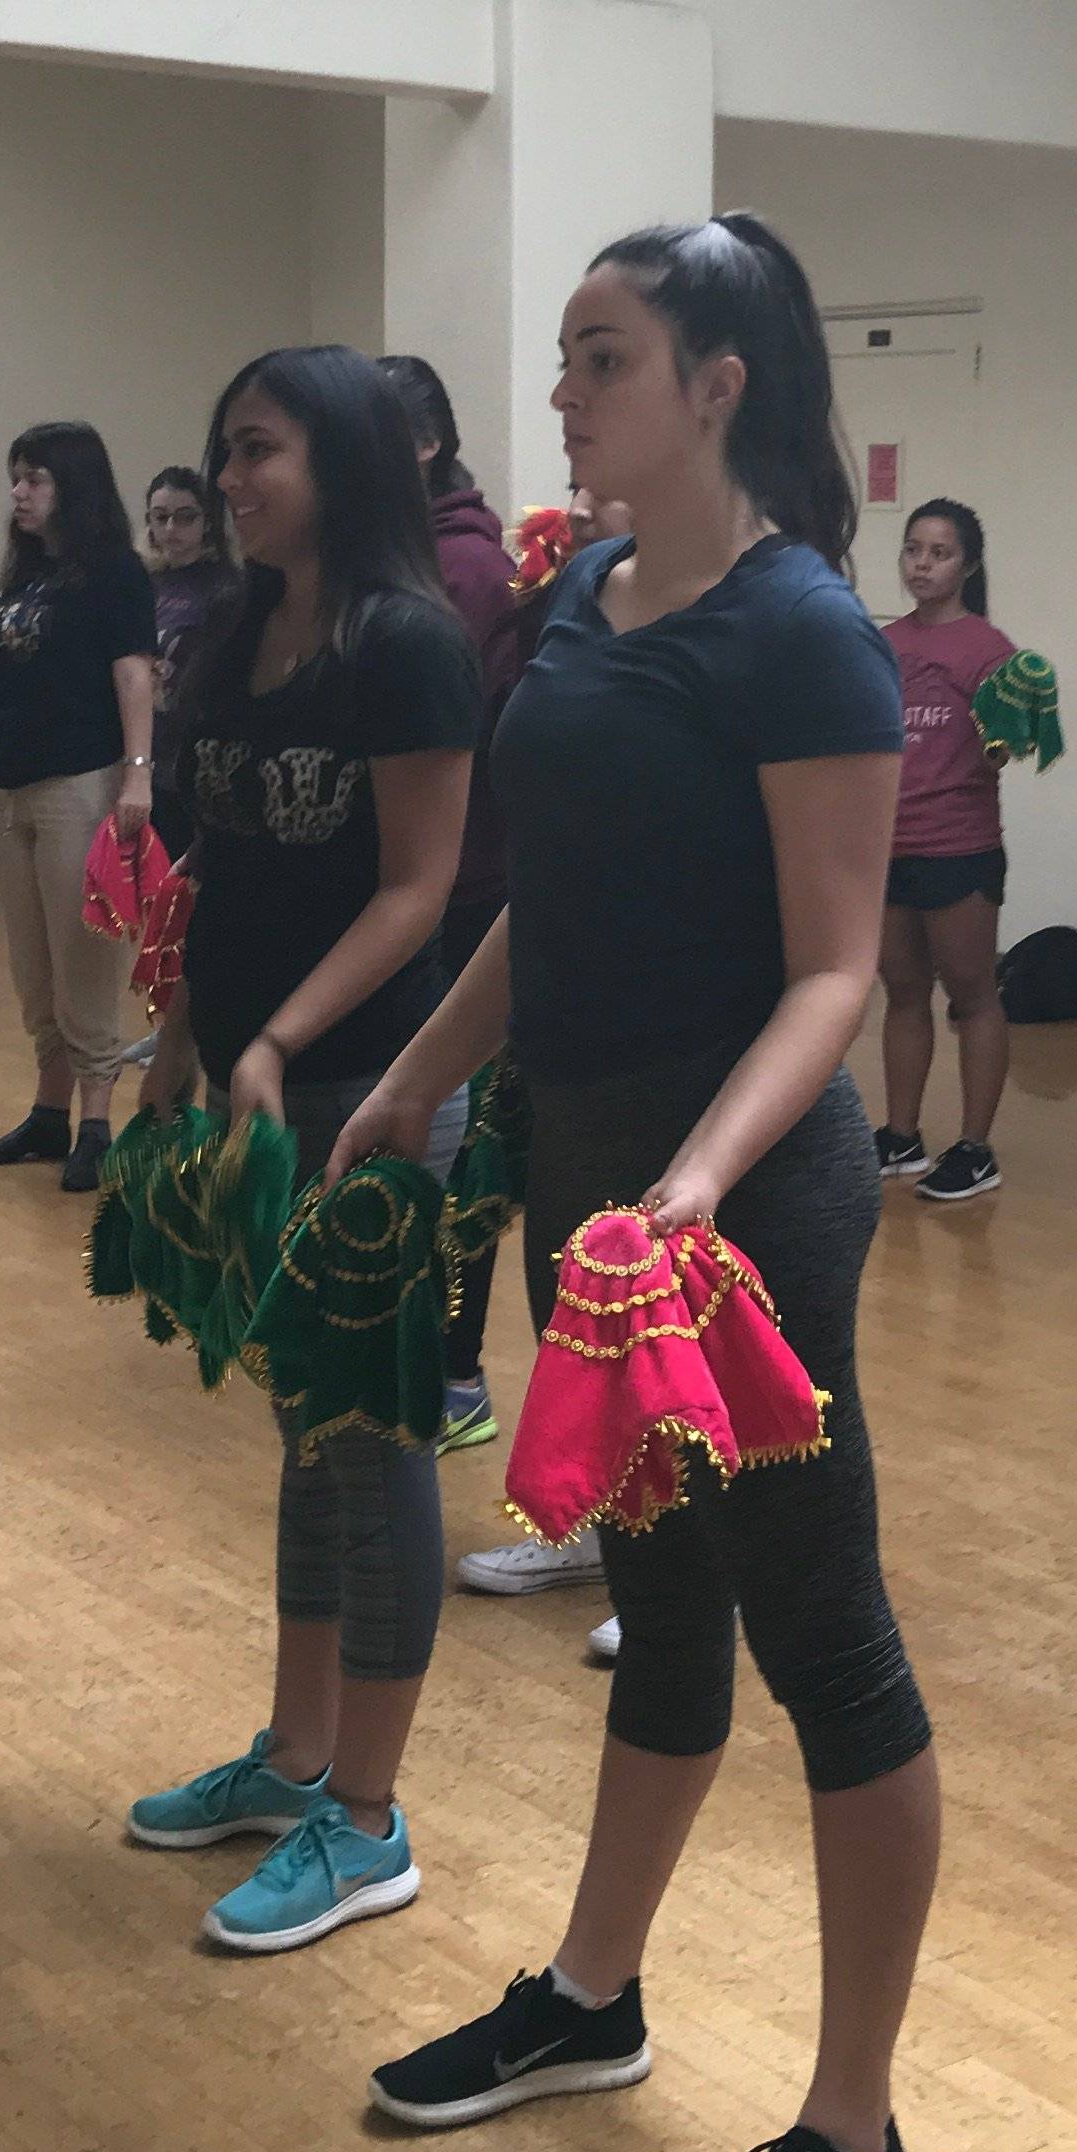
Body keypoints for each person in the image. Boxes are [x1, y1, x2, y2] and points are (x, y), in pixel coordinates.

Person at [343, 213, 937, 2152]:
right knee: (656, 1597)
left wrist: (697, 1176)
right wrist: (420, 1077)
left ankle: (855, 2147)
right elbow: (551, 900)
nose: (568, 390)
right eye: (569, 356)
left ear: (720, 386)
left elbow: (840, 966)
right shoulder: (586, 599)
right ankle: (594, 1996)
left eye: (604, 356)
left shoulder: (803, 636)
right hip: (592, 1182)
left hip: (741, 1209)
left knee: (824, 1629)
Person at [121, 347, 479, 1953]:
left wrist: (277, 1042)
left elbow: (422, 888)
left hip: (377, 1087)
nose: (232, 478)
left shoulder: (407, 644)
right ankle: (292, 1758)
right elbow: (220, 866)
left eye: (258, 449)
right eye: (224, 449)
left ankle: (368, 1820)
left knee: (376, 1432)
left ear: (340, 460)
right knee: (305, 1436)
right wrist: (188, 1043)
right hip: (259, 1083)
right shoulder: (234, 635)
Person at [453, 481, 633, 1640]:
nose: (572, 493)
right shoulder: (575, 590)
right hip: (561, 1009)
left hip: (681, 1027)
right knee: (566, 1283)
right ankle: (599, 1522)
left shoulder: (778, 609)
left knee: (657, 1301)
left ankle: (678, 1568)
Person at [0, 424, 157, 1196]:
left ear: (73, 487)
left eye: (34, 479)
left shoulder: (114, 573)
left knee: (85, 957)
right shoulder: (30, 577)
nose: (18, 492)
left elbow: (134, 677)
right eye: (16, 477)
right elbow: (12, 680)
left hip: (82, 783)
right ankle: (48, 1112)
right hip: (11, 783)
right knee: (31, 962)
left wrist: (137, 776)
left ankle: (96, 1121)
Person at [380, 352, 524, 1452]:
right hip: (405, 882)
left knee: (455, 1125)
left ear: (426, 443)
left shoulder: (466, 568)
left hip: (471, 887)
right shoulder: (394, 553)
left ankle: (457, 1364)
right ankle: (391, 1335)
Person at [874, 497, 1021, 1207]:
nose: (923, 564)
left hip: (959, 846)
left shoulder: (991, 652)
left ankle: (975, 1148)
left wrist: (1024, 722)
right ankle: (901, 1135)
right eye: (913, 550)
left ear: (967, 564)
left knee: (971, 997)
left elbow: (1011, 748)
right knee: (903, 993)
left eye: (939, 552)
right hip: (885, 847)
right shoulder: (881, 643)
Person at [141, 460, 234, 858]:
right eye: (160, 518)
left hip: (193, 749)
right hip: (142, 743)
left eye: (184, 517)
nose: (171, 530)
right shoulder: (140, 582)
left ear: (207, 521)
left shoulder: (227, 585)